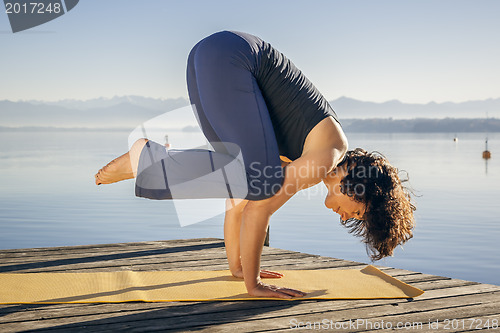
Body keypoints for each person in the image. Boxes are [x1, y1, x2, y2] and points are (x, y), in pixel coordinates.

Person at [95, 31, 415, 299]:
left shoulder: (306, 154)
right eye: (356, 211)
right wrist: (254, 285)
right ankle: (145, 158)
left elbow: (238, 206)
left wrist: (237, 267)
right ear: (361, 188)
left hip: (207, 56)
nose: (345, 216)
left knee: (240, 177)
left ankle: (149, 161)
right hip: (232, 59)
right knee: (261, 184)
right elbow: (259, 209)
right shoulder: (325, 157)